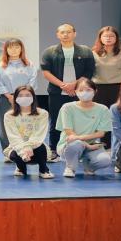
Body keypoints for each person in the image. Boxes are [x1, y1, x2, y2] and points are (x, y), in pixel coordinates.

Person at [40, 23, 96, 162]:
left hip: (80, 92)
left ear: (74, 34)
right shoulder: (49, 51)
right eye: (62, 32)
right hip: (57, 92)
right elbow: (46, 72)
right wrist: (63, 85)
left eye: (69, 32)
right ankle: (54, 150)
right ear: (57, 35)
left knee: (80, 121)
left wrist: (74, 85)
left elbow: (89, 71)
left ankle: (81, 149)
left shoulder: (85, 51)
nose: (65, 34)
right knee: (56, 121)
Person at [55, 78, 113, 177]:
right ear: (75, 91)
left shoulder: (103, 109)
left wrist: (85, 143)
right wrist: (85, 144)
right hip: (70, 144)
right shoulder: (67, 107)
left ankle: (89, 167)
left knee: (105, 160)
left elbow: (101, 133)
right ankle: (70, 167)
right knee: (76, 144)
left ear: (95, 91)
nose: (84, 93)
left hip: (91, 145)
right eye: (81, 90)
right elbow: (69, 132)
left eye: (88, 90)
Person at [0, 37, 38, 161]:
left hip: (26, 98)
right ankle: (8, 153)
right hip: (6, 98)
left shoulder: (29, 64)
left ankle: (25, 151)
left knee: (25, 125)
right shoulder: (0, 66)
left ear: (21, 49)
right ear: (6, 49)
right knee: (5, 126)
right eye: (10, 47)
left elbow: (32, 81)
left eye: (17, 47)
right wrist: (9, 96)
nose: (14, 50)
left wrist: (22, 96)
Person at [2, 85, 53, 178]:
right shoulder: (9, 115)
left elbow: (39, 135)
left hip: (36, 147)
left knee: (41, 148)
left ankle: (43, 170)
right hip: (19, 148)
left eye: (27, 95)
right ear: (15, 98)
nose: (24, 98)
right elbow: (13, 136)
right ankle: (21, 168)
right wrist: (23, 150)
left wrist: (29, 147)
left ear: (33, 97)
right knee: (14, 154)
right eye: (20, 95)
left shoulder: (42, 113)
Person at [92, 26, 121, 107]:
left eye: (111, 36)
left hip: (118, 87)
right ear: (100, 38)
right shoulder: (93, 54)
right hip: (98, 87)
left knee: (118, 111)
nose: (108, 38)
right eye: (105, 36)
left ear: (116, 38)